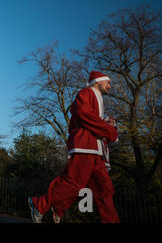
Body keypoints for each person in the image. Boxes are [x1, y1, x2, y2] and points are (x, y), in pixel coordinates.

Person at [28, 71, 120, 223]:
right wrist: (109, 130)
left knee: (105, 190)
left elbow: (92, 120)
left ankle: (58, 207)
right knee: (73, 183)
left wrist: (106, 123)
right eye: (108, 82)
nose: (110, 86)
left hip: (97, 153)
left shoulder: (98, 100)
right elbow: (82, 113)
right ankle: (39, 204)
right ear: (97, 81)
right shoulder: (86, 92)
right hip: (85, 148)